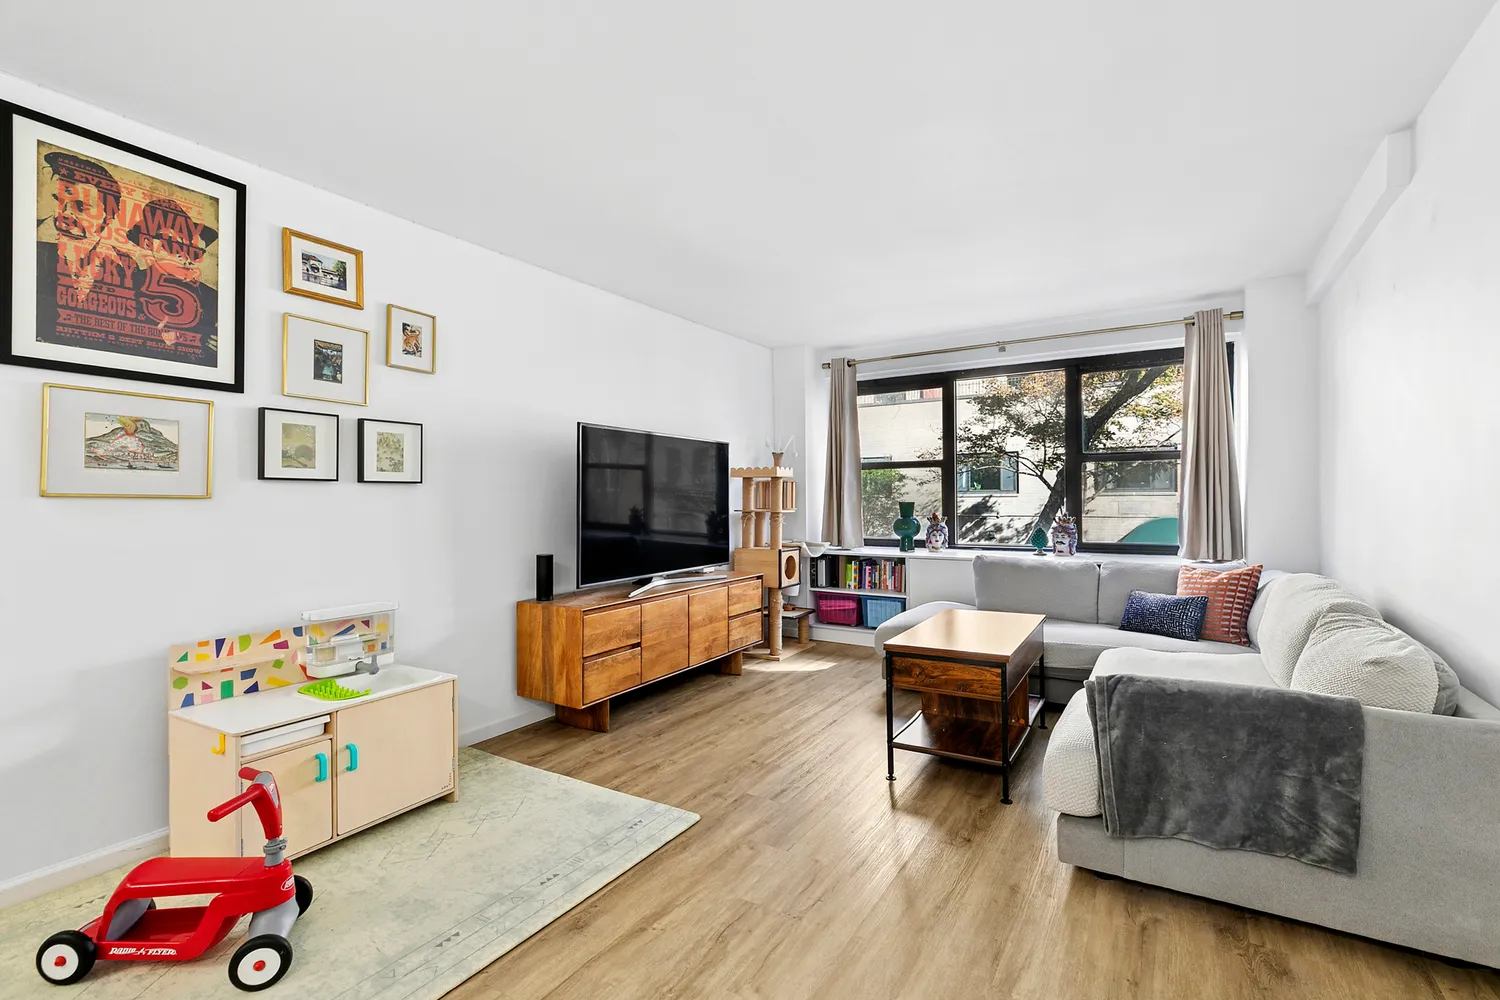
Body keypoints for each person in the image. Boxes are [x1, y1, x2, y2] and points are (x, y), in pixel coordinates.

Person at [128, 197, 219, 364]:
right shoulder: (127, 285)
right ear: (148, 244)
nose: (185, 257)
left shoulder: (212, 297)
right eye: (172, 245)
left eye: (194, 252)